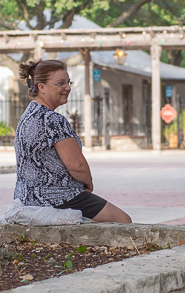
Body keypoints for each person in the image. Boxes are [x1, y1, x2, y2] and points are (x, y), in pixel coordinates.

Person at [13, 59, 132, 223]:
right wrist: (88, 184)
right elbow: (77, 166)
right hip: (59, 197)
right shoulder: (53, 120)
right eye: (61, 83)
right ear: (42, 87)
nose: (67, 88)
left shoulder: (28, 115)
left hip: (26, 196)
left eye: (69, 82)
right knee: (123, 221)